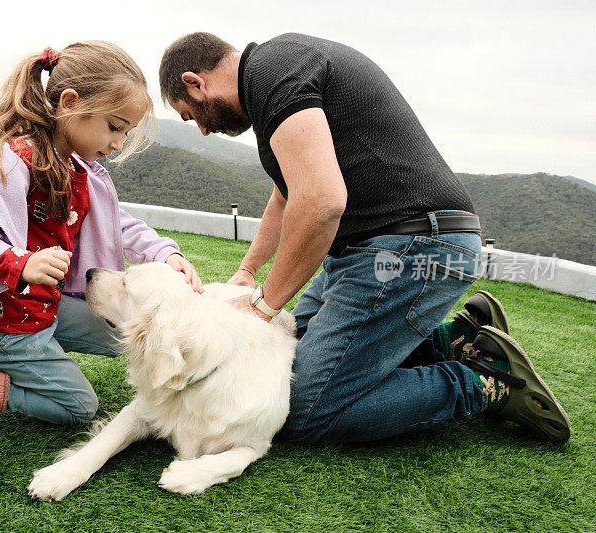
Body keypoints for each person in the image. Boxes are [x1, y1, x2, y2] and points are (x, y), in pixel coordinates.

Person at [158, 32, 571, 444]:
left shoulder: (274, 72)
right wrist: (247, 271)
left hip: (413, 246)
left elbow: (321, 202)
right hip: (375, 251)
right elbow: (286, 196)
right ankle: (454, 340)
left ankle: (484, 382)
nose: (203, 131)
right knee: (283, 359)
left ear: (196, 83)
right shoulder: (273, 79)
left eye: (190, 116)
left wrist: (265, 306)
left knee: (302, 409)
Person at [0, 42, 203, 456]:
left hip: (49, 308)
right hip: (6, 325)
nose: (118, 143)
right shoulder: (12, 160)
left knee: (129, 333)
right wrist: (18, 262)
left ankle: (191, 392)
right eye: (114, 126)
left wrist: (166, 253)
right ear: (71, 103)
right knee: (78, 407)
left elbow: (118, 223)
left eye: (125, 132)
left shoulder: (79, 169)